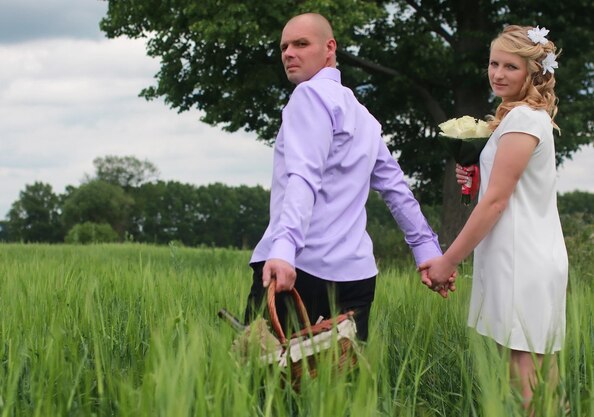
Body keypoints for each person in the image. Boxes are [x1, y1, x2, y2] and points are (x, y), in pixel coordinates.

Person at [243, 12, 443, 342]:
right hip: (357, 278)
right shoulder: (362, 115)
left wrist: (284, 247)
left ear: (329, 48)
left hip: (298, 269)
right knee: (339, 387)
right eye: (284, 47)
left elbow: (303, 176)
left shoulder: (308, 97)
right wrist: (427, 252)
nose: (289, 53)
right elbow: (395, 187)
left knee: (260, 383)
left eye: (301, 44)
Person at [420, 25, 568, 410]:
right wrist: (477, 177)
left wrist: (447, 260)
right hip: (527, 254)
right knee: (538, 371)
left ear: (533, 73)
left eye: (511, 67)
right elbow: (502, 191)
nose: (498, 74)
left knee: (524, 375)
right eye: (493, 63)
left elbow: (497, 203)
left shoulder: (522, 121)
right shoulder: (524, 119)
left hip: (522, 259)